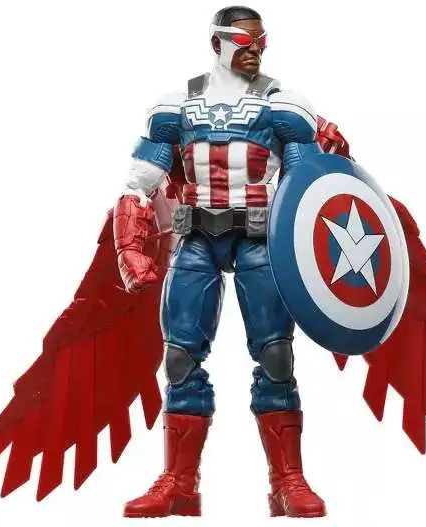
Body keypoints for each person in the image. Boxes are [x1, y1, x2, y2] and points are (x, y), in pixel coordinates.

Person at [117, 5, 327, 518]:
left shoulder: (284, 107)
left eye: (261, 40)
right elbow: (139, 184)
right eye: (244, 40)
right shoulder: (175, 108)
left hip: (258, 239)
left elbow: (312, 187)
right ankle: (179, 483)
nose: (255, 49)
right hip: (195, 239)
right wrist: (129, 247)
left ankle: (287, 481)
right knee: (179, 359)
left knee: (276, 358)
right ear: (217, 43)